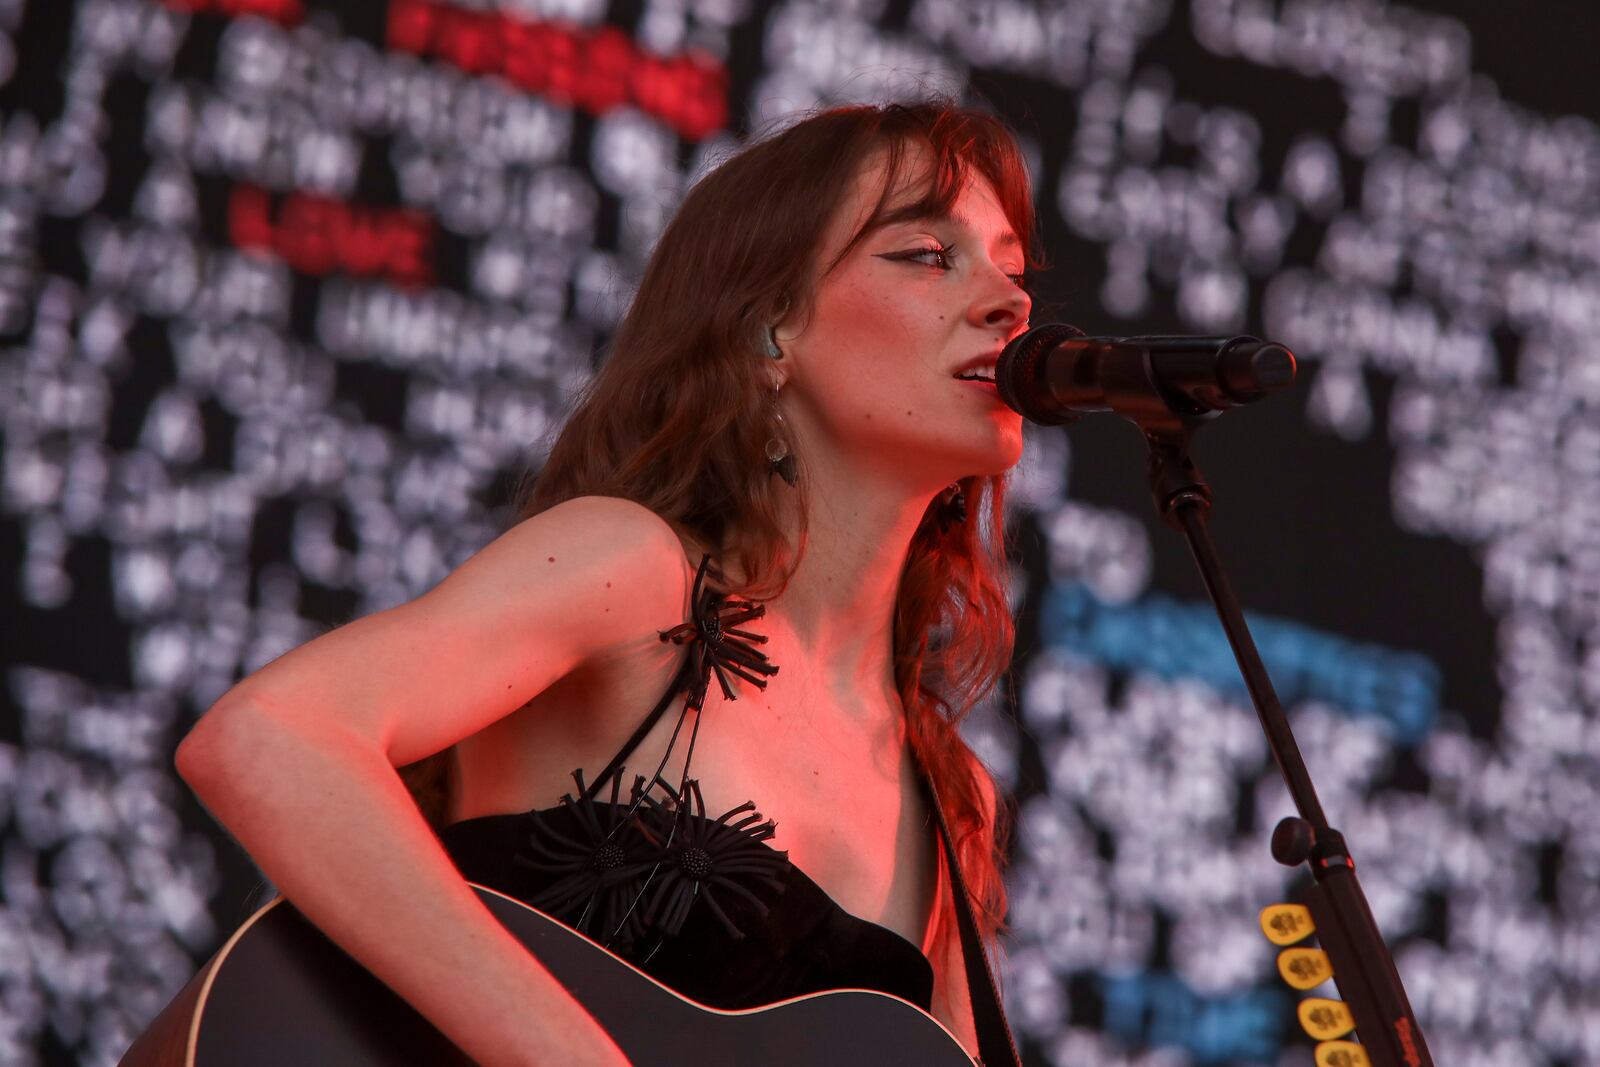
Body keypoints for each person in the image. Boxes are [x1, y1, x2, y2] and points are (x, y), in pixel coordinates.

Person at [174, 98, 1039, 1066]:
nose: (1011, 301)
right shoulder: (639, 574)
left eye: (1011, 264)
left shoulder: (953, 791)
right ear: (768, 330)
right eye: (927, 253)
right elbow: (269, 738)